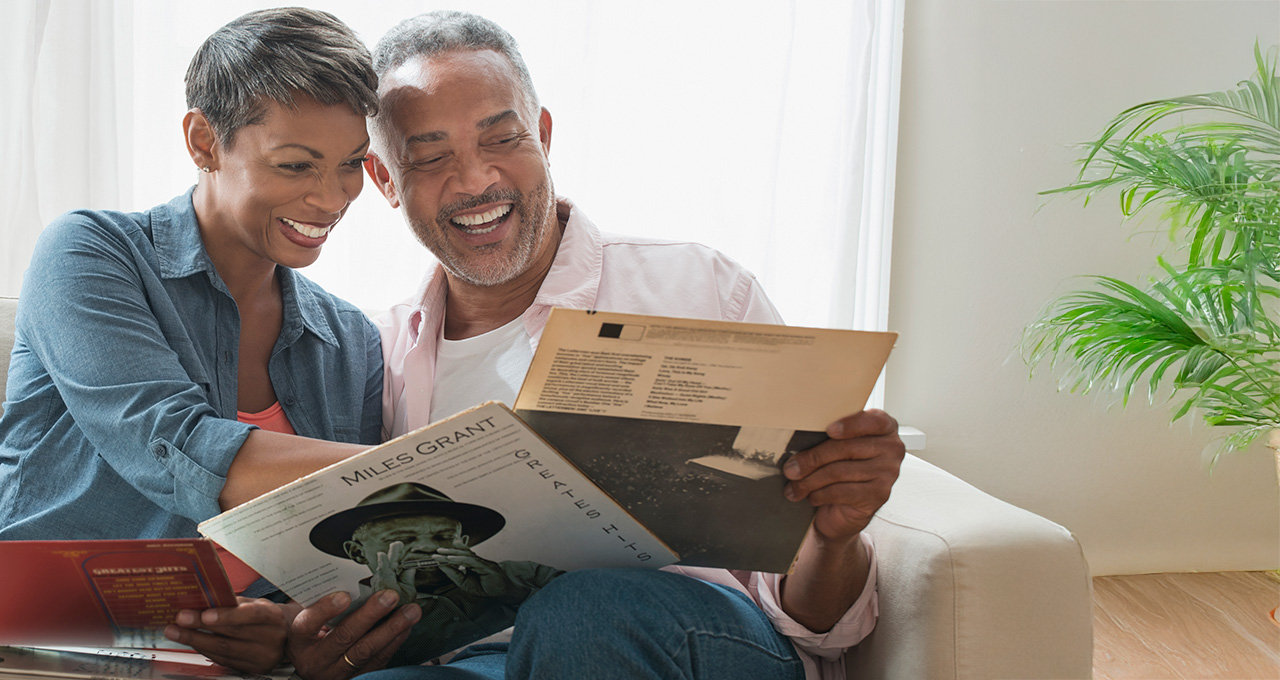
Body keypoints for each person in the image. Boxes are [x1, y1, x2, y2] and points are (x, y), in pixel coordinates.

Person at [306, 10, 904, 680]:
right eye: (432, 157)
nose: (476, 182)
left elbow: (824, 629)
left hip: (686, 640)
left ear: (544, 134)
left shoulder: (699, 288)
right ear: (386, 180)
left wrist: (834, 533)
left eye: (502, 139)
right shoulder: (376, 352)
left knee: (582, 612)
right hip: (473, 660)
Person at [0, 8, 418, 673]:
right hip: (59, 638)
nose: (331, 197)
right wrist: (424, 475)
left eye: (349, 166)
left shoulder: (350, 340)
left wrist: (286, 625)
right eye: (295, 165)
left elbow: (334, 553)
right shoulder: (89, 253)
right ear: (202, 141)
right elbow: (174, 446)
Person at [309, 482, 563, 666]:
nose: (428, 548)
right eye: (402, 539)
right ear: (357, 553)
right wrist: (386, 616)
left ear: (463, 541)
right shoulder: (340, 615)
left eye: (442, 537)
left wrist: (513, 592)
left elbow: (591, 612)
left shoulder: (524, 573)